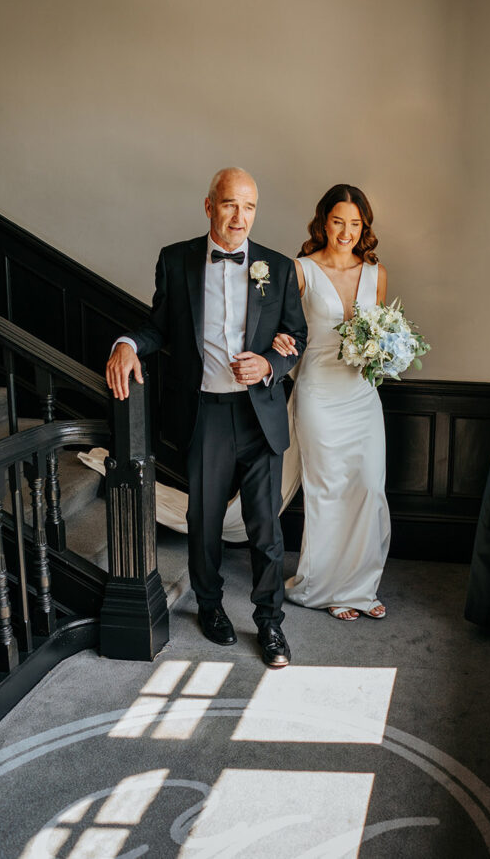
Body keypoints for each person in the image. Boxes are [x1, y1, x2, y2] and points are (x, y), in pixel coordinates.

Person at [107, 167, 307, 667]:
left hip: (259, 413)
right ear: (209, 205)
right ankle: (212, 606)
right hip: (206, 414)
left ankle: (269, 623)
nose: (240, 217)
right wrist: (128, 344)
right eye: (230, 205)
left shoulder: (279, 268)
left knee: (266, 527)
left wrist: (270, 364)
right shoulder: (176, 261)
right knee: (203, 520)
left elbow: (295, 337)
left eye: (250, 207)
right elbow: (159, 327)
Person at [271, 184, 391, 621]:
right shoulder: (300, 269)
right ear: (324, 221)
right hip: (318, 391)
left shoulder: (377, 274)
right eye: (338, 221)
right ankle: (321, 588)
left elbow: (381, 332)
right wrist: (277, 342)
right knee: (327, 491)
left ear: (365, 227)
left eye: (355, 223)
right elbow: (279, 326)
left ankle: (360, 587)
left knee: (369, 487)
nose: (346, 231)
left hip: (361, 394)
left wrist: (387, 351)